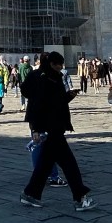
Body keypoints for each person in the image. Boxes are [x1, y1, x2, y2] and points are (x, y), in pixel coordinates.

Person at [19, 52, 94, 212]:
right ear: (51, 63)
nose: (61, 67)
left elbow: (56, 102)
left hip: (55, 126)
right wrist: (36, 129)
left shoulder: (52, 76)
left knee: (45, 165)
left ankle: (30, 194)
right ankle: (80, 198)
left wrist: (69, 96)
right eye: (58, 64)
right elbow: (37, 105)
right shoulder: (43, 78)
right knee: (69, 164)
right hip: (51, 128)